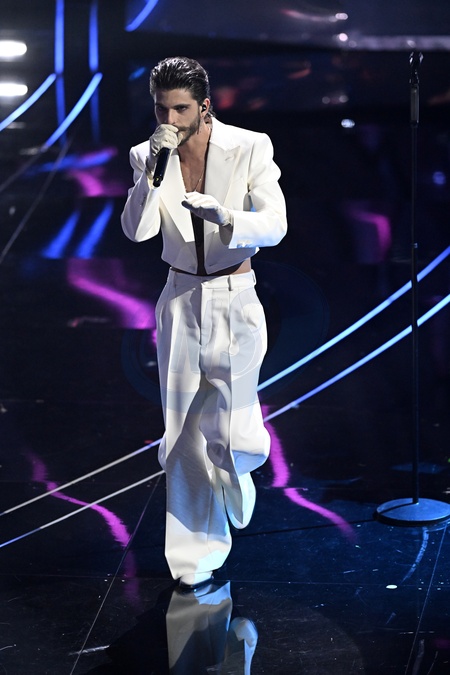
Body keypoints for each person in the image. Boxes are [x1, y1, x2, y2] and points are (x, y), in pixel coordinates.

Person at [121, 56, 287, 590]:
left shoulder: (249, 146)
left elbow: (276, 225)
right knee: (182, 434)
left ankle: (238, 468)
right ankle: (195, 556)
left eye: (180, 109)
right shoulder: (146, 154)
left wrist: (227, 216)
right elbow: (138, 231)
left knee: (234, 433)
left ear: (204, 106)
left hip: (234, 297)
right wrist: (153, 170)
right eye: (161, 108)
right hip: (178, 300)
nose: (169, 119)